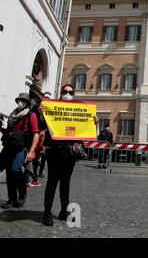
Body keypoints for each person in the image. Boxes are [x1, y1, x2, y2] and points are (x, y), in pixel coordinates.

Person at [41, 84, 98, 226]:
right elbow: (43, 123)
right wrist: (42, 114)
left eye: (70, 92)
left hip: (70, 152)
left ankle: (63, 211)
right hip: (54, 150)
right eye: (65, 91)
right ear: (61, 93)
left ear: (74, 93)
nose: (67, 94)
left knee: (66, 182)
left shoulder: (79, 109)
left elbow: (86, 129)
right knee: (52, 181)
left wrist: (94, 123)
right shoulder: (51, 108)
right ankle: (47, 212)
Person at [0, 93, 39, 209]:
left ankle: (22, 195)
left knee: (15, 170)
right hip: (9, 147)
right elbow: (10, 133)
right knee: (9, 173)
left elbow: (36, 134)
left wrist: (32, 151)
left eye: (23, 100)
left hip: (21, 148)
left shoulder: (31, 115)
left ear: (27, 103)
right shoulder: (13, 115)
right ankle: (11, 199)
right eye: (19, 100)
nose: (21, 102)